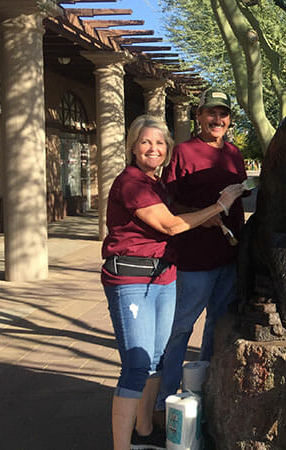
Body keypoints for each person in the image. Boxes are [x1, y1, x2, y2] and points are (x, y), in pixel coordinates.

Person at [101, 115, 244, 449]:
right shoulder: (132, 182)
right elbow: (170, 226)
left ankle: (146, 429)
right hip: (132, 278)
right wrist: (218, 207)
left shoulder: (156, 183)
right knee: (136, 365)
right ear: (133, 147)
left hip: (164, 275)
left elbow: (174, 217)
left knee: (155, 359)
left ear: (167, 149)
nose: (154, 148)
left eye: (160, 143)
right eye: (146, 142)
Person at [155, 88, 249, 418]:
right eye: (211, 113)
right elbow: (167, 202)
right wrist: (203, 216)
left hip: (228, 258)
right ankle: (162, 399)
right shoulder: (183, 152)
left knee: (216, 327)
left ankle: (201, 392)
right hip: (194, 260)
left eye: (223, 114)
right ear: (199, 117)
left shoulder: (235, 154)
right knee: (181, 327)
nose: (217, 119)